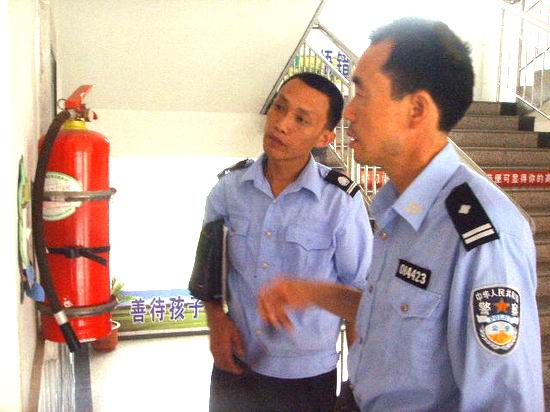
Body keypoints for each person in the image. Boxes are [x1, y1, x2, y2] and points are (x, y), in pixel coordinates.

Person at [258, 17, 545, 411]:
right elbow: (391, 311)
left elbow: (505, 401)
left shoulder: (482, 235)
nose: (349, 112)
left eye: (362, 94)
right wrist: (310, 292)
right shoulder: (399, 206)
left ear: (417, 109)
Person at [202, 72, 373, 412]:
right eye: (279, 107)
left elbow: (360, 297)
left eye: (301, 119)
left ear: (325, 137)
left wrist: (357, 385)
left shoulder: (340, 202)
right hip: (235, 365)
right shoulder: (229, 189)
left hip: (307, 380)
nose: (281, 124)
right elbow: (207, 270)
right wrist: (216, 321)